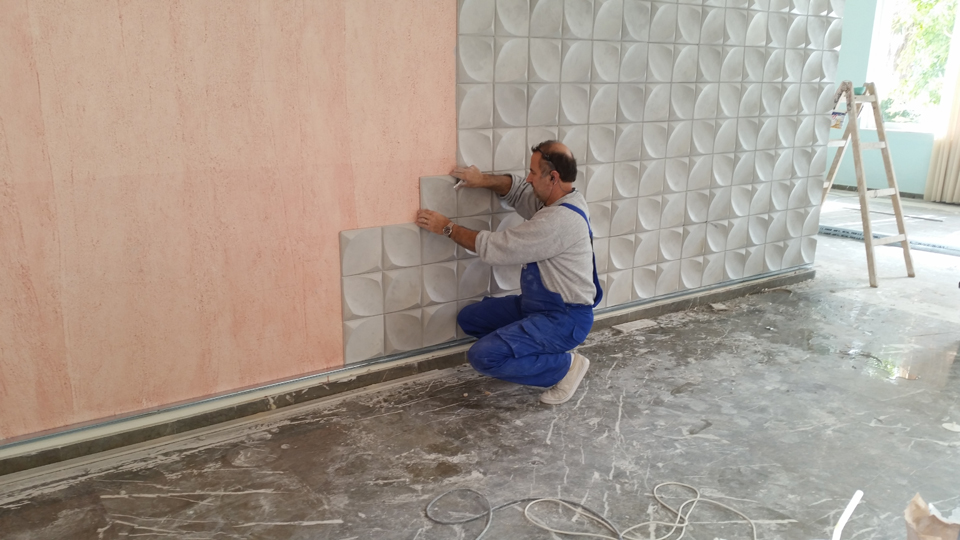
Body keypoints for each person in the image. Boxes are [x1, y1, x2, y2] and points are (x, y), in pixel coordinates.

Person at [416, 141, 602, 405]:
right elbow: (518, 190)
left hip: (564, 318)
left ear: (553, 177)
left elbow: (497, 247)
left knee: (483, 356)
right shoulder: (559, 199)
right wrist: (481, 180)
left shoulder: (558, 220)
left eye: (533, 173)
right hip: (538, 308)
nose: (529, 178)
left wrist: (448, 228)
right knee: (471, 319)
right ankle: (531, 347)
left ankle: (566, 367)